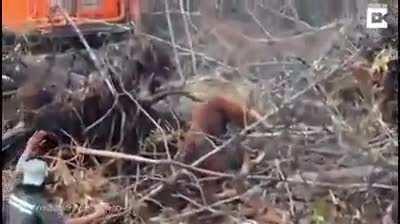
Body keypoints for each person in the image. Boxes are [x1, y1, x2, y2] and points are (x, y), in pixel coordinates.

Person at [3, 130, 111, 224]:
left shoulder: (18, 187)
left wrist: (30, 145)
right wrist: (97, 214)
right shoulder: (40, 206)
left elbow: (20, 168)